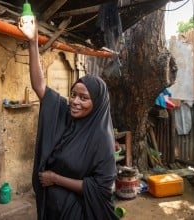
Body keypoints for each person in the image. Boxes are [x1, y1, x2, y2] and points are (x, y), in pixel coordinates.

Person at [18, 16, 119, 220]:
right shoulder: (67, 116)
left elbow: (101, 189)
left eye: (84, 98)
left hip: (79, 213)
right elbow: (40, 87)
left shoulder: (101, 139)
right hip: (54, 208)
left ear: (97, 104)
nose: (75, 102)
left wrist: (55, 178)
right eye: (73, 94)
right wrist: (32, 41)